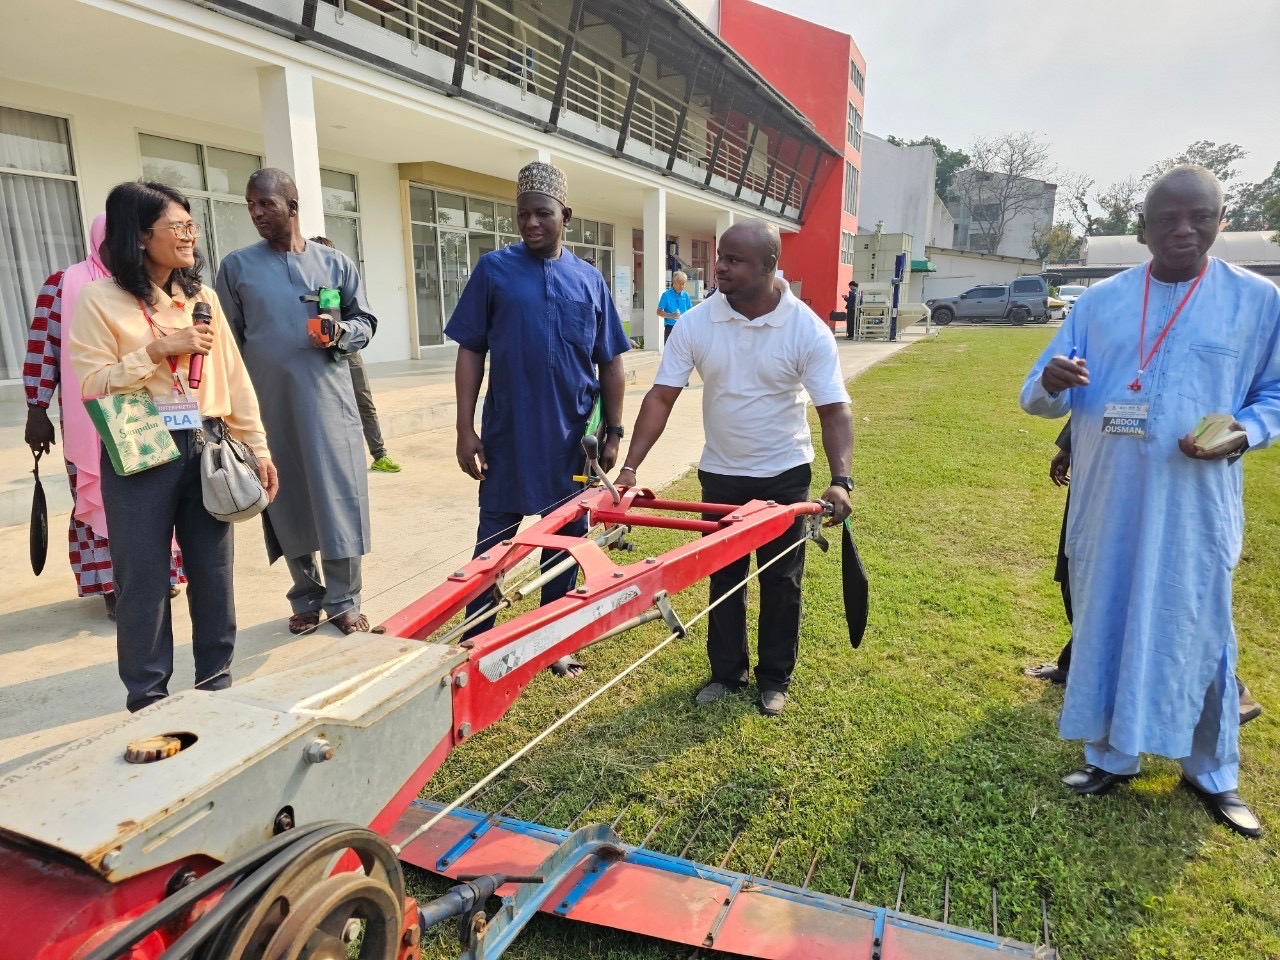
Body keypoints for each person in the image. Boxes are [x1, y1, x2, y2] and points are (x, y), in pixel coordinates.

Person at [1020, 165, 1280, 838]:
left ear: (1222, 220)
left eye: (1201, 216)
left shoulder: (1257, 301)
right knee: (1107, 617)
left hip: (1195, 504)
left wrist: (1244, 432)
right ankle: (1110, 756)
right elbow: (1039, 394)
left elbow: (1274, 395)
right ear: (1143, 227)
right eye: (1167, 218)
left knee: (1201, 632)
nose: (1184, 230)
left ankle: (1213, 772)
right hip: (1110, 500)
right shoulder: (1100, 302)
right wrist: (1050, 380)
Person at [617, 220, 854, 716]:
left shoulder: (805, 328)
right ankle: (726, 673)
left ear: (769, 266)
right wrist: (630, 468)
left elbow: (833, 409)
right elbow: (662, 397)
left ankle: (774, 678)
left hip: (785, 473)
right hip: (721, 474)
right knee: (724, 575)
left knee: (782, 580)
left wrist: (840, 479)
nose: (719, 266)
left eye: (734, 260)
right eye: (720, 256)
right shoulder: (697, 323)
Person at [69, 181, 276, 712]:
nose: (189, 236)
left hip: (205, 442)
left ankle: (216, 682)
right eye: (177, 227)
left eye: (191, 226)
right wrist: (159, 350)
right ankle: (148, 698)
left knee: (212, 571)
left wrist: (258, 446)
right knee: (142, 578)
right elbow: (92, 383)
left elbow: (233, 375)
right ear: (139, 236)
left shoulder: (201, 299)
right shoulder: (99, 300)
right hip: (140, 445)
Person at [447, 161, 629, 677]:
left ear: (565, 215)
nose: (530, 224)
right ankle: (475, 639)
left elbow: (611, 361)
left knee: (566, 543)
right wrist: (465, 429)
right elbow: (470, 352)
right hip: (507, 436)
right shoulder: (494, 272)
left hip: (572, 442)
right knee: (493, 545)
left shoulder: (589, 280)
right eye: (522, 214)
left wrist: (613, 432)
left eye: (542, 214)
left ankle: (552, 640)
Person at [215, 169, 380, 636]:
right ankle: (306, 597)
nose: (256, 213)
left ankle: (345, 601)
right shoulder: (237, 267)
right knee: (285, 501)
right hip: (269, 406)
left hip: (330, 404)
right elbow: (229, 339)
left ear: (292, 205)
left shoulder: (335, 264)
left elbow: (364, 319)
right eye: (250, 205)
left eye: (265, 204)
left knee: (339, 499)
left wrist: (342, 333)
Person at [1025, 421, 1265, 727]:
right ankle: (1075, 664)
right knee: (1079, 579)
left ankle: (1230, 690)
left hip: (1146, 478)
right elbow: (1104, 388)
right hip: (1100, 474)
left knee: (1144, 593)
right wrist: (1070, 444)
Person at [24, 214, 185, 618]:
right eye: (116, 241)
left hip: (152, 408)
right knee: (104, 498)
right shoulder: (64, 284)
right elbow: (44, 347)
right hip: (92, 415)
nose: (126, 250)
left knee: (158, 493)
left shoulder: (149, 284)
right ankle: (113, 585)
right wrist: (36, 407)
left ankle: (162, 574)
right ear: (100, 241)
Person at [309, 236, 401, 474]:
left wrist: (343, 333)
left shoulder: (342, 282)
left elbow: (361, 317)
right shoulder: (305, 287)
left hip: (348, 352)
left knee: (364, 402)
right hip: (316, 355)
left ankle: (379, 454)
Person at [656, 270, 693, 342]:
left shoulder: (686, 295)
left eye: (683, 283)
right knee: (669, 351)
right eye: (680, 283)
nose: (682, 286)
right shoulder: (666, 295)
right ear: (674, 282)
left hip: (684, 327)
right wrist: (671, 315)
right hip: (670, 328)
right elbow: (658, 312)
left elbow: (690, 310)